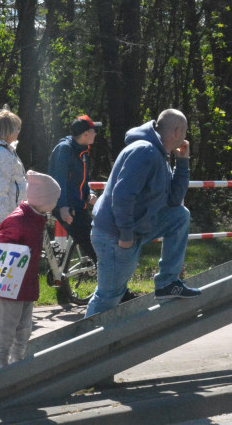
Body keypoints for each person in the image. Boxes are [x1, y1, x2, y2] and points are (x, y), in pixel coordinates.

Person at [85, 109, 200, 318]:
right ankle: (84, 348)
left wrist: (182, 162)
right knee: (109, 297)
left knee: (179, 216)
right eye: (185, 132)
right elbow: (122, 197)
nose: (185, 138)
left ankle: (167, 283)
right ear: (177, 131)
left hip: (134, 228)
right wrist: (126, 237)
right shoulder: (144, 151)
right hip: (115, 234)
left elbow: (173, 201)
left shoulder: (160, 154)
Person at [0, 171, 59, 369]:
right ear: (43, 200)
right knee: (7, 326)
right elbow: (1, 246)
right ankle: (1, 361)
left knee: (24, 326)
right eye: (54, 199)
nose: (56, 203)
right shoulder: (19, 220)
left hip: (26, 283)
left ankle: (18, 358)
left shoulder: (35, 218)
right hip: (11, 285)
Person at [48, 114, 101, 306]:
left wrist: (90, 193)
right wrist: (61, 207)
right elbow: (57, 180)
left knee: (95, 242)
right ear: (86, 134)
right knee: (98, 248)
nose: (96, 134)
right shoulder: (65, 149)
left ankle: (62, 280)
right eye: (94, 130)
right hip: (67, 208)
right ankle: (114, 293)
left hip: (78, 206)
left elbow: (83, 180)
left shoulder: (83, 150)